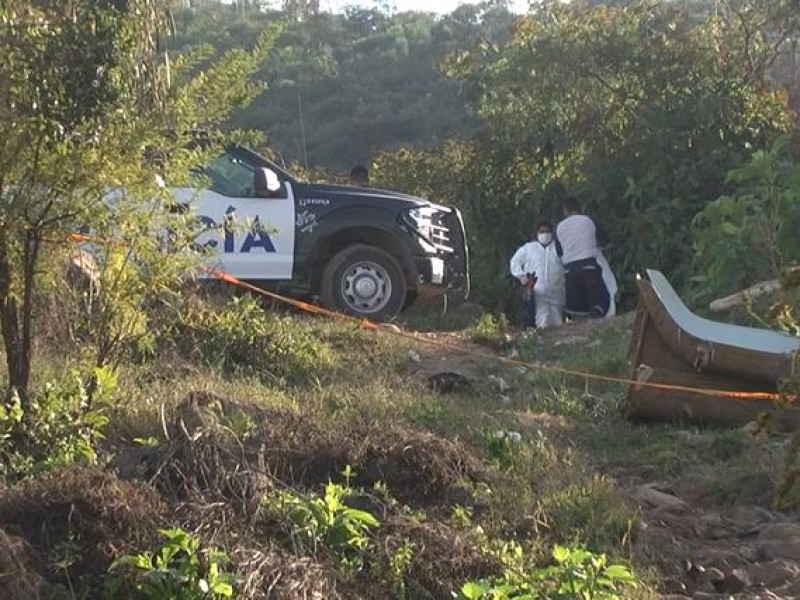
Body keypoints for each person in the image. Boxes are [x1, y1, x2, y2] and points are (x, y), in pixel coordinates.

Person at [555, 196, 610, 319]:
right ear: (581, 208)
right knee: (599, 305)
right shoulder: (589, 221)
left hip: (570, 272)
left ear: (565, 210)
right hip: (590, 268)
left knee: (578, 313)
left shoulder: (559, 227)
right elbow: (605, 240)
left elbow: (559, 252)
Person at [509, 220, 565, 328]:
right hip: (538, 293)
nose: (545, 234)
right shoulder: (529, 248)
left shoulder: (558, 248)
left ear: (552, 233)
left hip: (557, 293)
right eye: (542, 231)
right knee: (541, 321)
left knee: (558, 322)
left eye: (547, 231)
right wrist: (522, 276)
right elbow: (514, 262)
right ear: (537, 233)